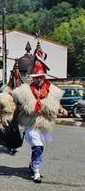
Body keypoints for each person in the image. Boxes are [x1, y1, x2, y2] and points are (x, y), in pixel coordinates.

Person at [12, 43, 67, 183]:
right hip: (31, 123)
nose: (38, 79)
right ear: (33, 77)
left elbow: (55, 104)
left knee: (39, 148)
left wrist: (61, 109)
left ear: (44, 77)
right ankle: (36, 171)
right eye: (35, 77)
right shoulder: (25, 90)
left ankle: (32, 164)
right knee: (37, 146)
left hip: (44, 123)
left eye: (40, 76)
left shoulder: (52, 90)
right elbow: (19, 104)